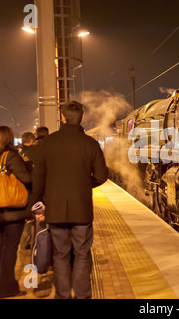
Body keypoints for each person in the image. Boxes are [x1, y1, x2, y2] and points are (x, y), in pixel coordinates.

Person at [31, 101, 108, 299]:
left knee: (60, 255)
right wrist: (82, 184)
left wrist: (35, 204)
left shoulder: (47, 143)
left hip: (55, 210)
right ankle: (83, 295)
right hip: (81, 210)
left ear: (62, 118)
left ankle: (63, 295)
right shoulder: (90, 144)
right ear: (82, 118)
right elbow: (101, 176)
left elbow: (38, 177)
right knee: (82, 254)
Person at [0, 125, 32, 298]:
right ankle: (8, 289)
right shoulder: (10, 156)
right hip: (13, 209)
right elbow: (26, 178)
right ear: (7, 139)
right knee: (11, 248)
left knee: (3, 247)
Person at [16, 131, 36, 250]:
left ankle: (23, 244)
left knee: (24, 219)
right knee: (31, 218)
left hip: (17, 191)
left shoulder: (15, 152)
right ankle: (29, 243)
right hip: (30, 190)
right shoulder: (33, 152)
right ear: (32, 141)